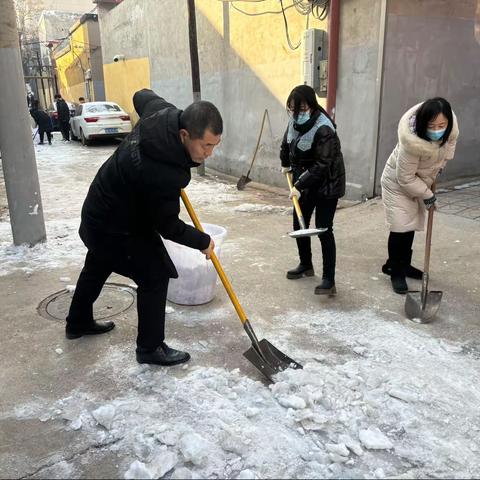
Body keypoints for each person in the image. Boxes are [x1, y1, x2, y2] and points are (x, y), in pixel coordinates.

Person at [65, 89, 222, 366]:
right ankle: (150, 349)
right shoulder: (163, 174)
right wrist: (202, 240)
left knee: (99, 262)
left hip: (101, 206)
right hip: (114, 222)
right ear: (184, 135)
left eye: (214, 146)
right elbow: (168, 226)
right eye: (205, 146)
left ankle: (77, 321)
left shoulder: (161, 112)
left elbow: (140, 95)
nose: (209, 154)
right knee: (155, 275)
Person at [380, 97, 459, 294]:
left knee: (411, 225)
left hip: (419, 183)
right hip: (397, 184)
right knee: (401, 228)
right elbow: (404, 177)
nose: (437, 129)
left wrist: (436, 171)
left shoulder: (450, 134)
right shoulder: (412, 142)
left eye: (442, 125)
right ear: (423, 123)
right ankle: (395, 270)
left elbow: (444, 156)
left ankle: (403, 264)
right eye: (432, 125)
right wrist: (427, 194)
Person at [280, 85, 346, 295]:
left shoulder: (324, 128)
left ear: (311, 106)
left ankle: (329, 280)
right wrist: (285, 164)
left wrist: (298, 185)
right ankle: (306, 265)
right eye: (292, 109)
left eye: (301, 109)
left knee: (324, 229)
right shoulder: (294, 122)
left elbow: (322, 164)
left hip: (327, 184)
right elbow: (286, 145)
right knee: (299, 224)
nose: (297, 114)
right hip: (305, 181)